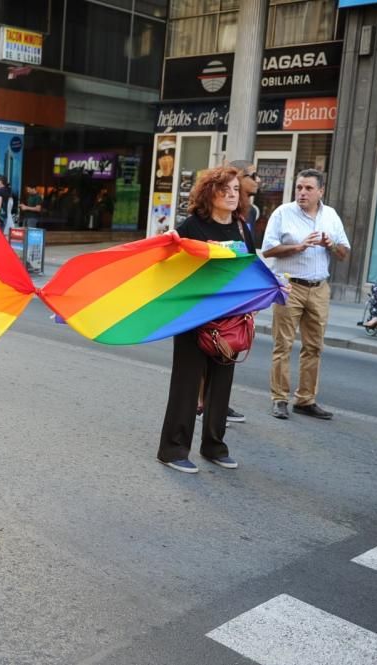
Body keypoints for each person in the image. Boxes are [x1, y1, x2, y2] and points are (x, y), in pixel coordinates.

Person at [157, 165, 252, 474]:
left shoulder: (242, 229)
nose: (231, 194)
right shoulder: (191, 227)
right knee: (186, 385)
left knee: (221, 385)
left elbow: (250, 270)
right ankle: (172, 450)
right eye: (224, 189)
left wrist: (270, 290)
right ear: (209, 193)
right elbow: (170, 268)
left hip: (229, 320)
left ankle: (214, 446)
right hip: (194, 317)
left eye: (236, 189)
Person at [262, 168, 350, 421]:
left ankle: (306, 399)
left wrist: (329, 244)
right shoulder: (282, 213)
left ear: (320, 191)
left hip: (319, 288)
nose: (302, 192)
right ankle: (279, 399)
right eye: (299, 187)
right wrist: (298, 247)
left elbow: (344, 252)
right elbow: (268, 250)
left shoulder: (331, 215)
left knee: (314, 346)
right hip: (290, 286)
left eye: (308, 188)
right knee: (283, 345)